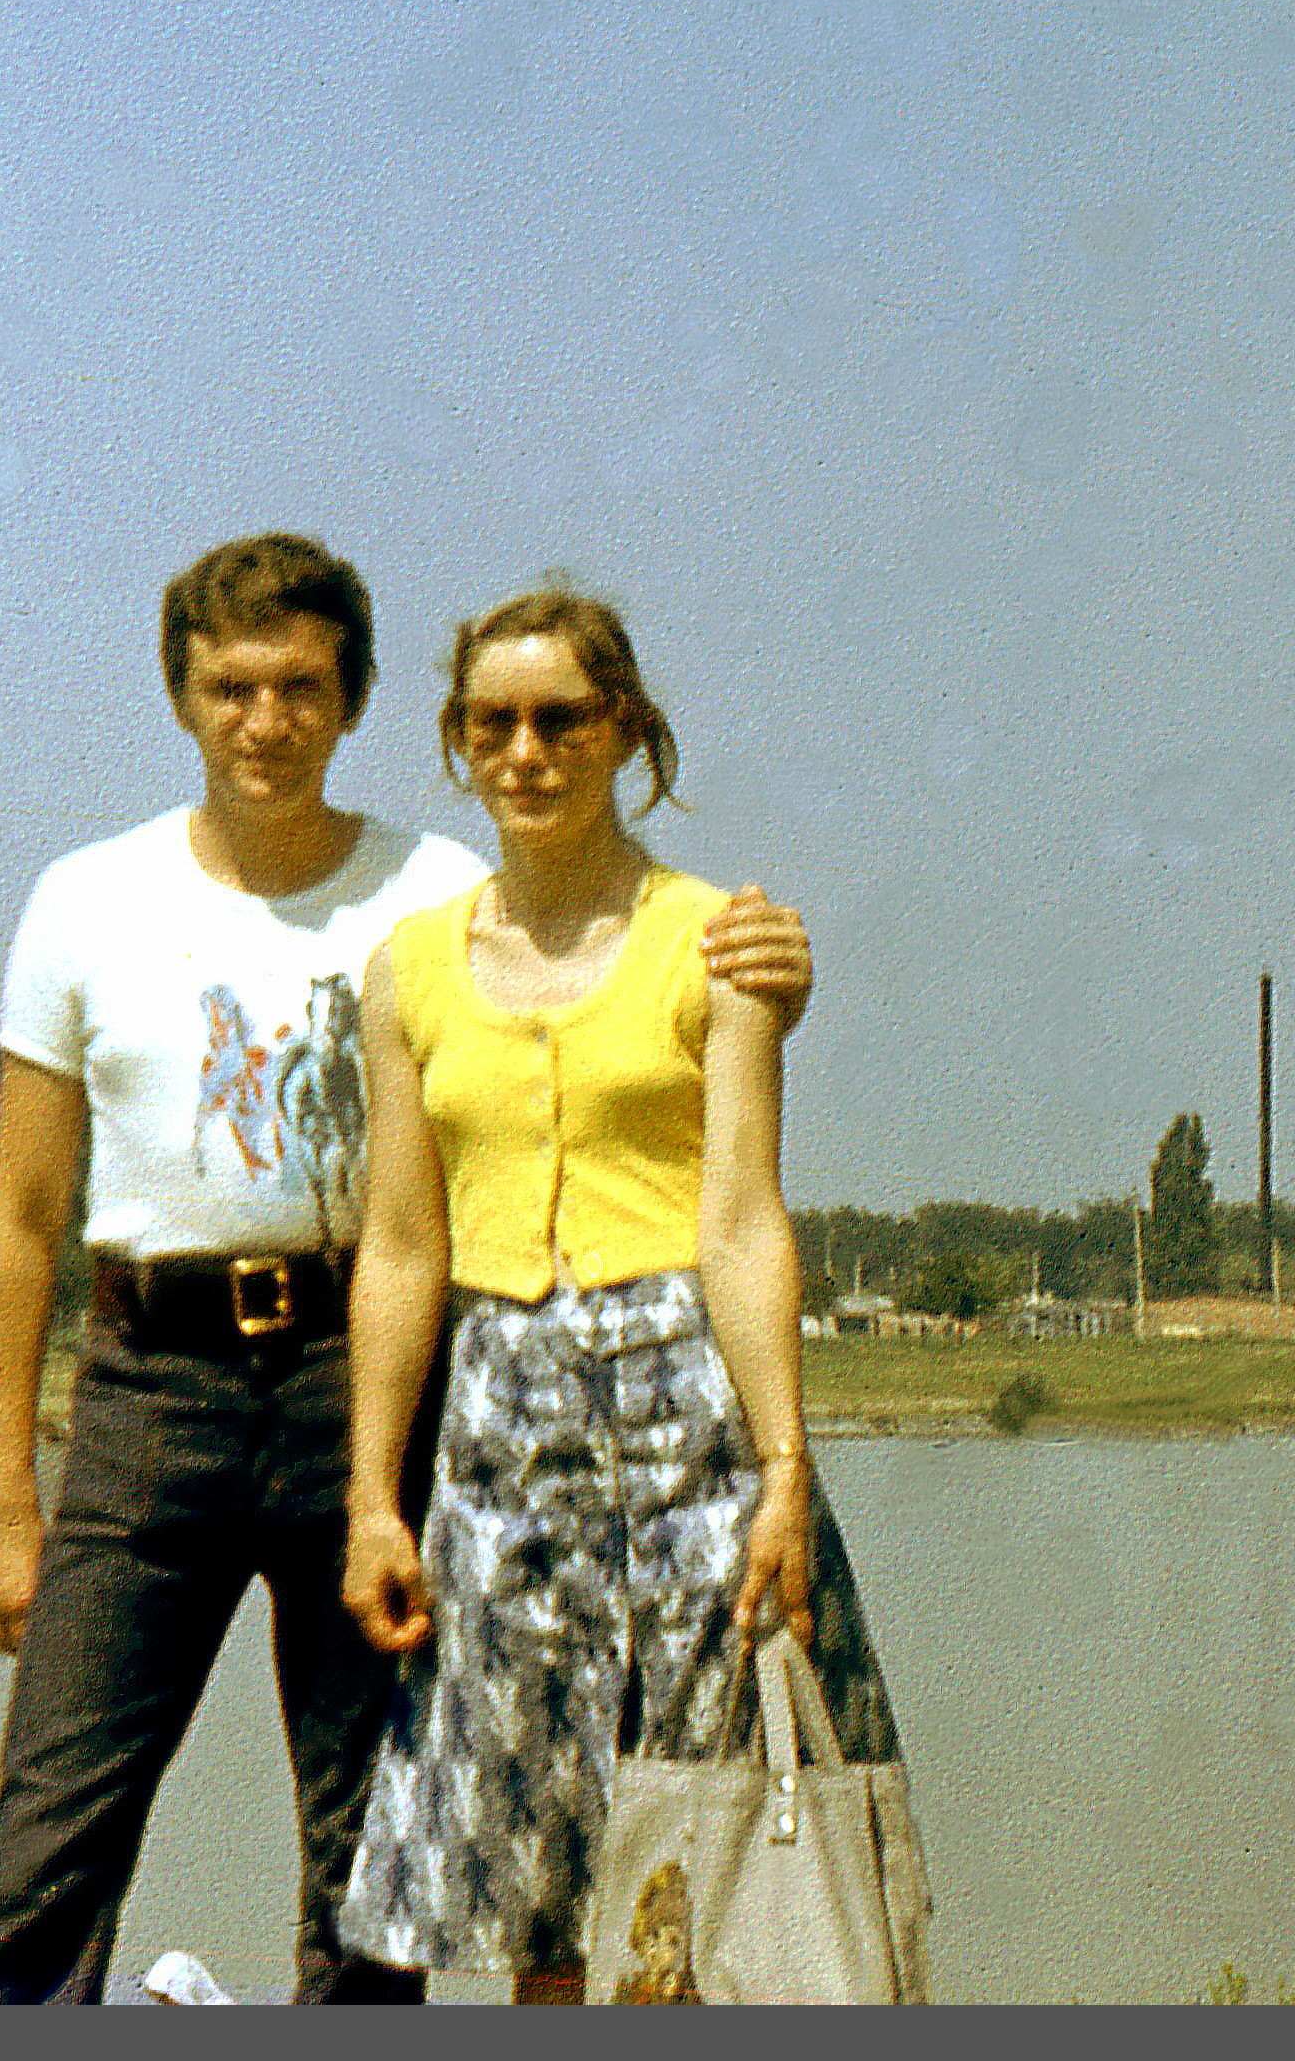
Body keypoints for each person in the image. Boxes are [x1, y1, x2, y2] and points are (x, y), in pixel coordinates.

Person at [0, 537, 812, 2006]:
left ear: (352, 707)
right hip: (152, 1387)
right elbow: (17, 1212)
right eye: (229, 687)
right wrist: (2, 1494)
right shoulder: (85, 900)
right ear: (179, 698)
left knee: (368, 1867)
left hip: (371, 1384)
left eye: (299, 688)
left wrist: (768, 962)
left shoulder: (435, 888)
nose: (263, 720)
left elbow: (601, 977)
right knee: (49, 1835)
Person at [332, 582, 902, 2003]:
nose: (524, 751)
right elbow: (400, 1244)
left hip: (688, 1411)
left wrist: (782, 1465)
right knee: (536, 1858)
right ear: (458, 742)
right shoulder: (405, 970)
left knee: (706, 1821)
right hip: (501, 1427)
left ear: (623, 729)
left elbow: (740, 1215)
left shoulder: (714, 940)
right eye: (490, 722)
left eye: (559, 718)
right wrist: (369, 1497)